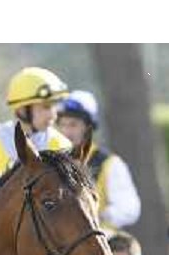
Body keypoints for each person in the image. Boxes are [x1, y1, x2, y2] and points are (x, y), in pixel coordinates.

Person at [56, 90, 140, 230]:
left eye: (73, 125)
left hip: (100, 243)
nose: (66, 132)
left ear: (89, 127)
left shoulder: (110, 164)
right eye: (62, 125)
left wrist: (97, 215)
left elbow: (130, 209)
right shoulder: (52, 161)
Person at [0, 67, 72, 181]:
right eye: (46, 107)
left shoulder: (63, 146)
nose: (53, 115)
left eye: (54, 106)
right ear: (21, 109)